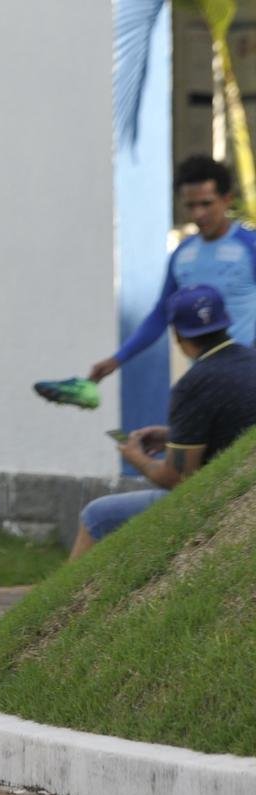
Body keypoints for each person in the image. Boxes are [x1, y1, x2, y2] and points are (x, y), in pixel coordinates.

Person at [71, 284, 256, 559]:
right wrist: (174, 435)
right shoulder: (250, 360)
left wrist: (137, 458)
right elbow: (234, 430)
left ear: (177, 333)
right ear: (224, 321)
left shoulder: (194, 383)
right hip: (246, 489)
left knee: (97, 516)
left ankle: (68, 602)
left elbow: (178, 479)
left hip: (222, 500)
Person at [88, 155, 256, 383]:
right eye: (190, 205)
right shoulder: (182, 254)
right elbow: (161, 314)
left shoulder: (248, 245)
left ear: (227, 199)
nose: (198, 214)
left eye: (206, 203)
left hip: (247, 376)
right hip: (204, 379)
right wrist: (117, 359)